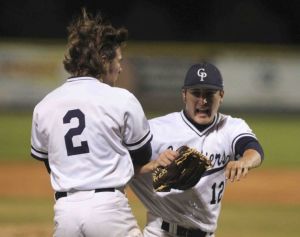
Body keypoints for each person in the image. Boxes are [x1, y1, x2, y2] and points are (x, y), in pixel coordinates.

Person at [30, 9, 153, 237]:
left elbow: (51, 163)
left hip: (65, 211)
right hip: (108, 208)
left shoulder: (44, 106)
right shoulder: (121, 99)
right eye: (118, 60)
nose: (121, 67)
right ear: (104, 61)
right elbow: (142, 155)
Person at [130, 62, 264, 237]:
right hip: (161, 232)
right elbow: (119, 167)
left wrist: (245, 161)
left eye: (209, 94)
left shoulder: (231, 127)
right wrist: (152, 166)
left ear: (221, 95)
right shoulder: (156, 130)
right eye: (196, 93)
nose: (203, 101)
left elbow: (253, 148)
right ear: (184, 95)